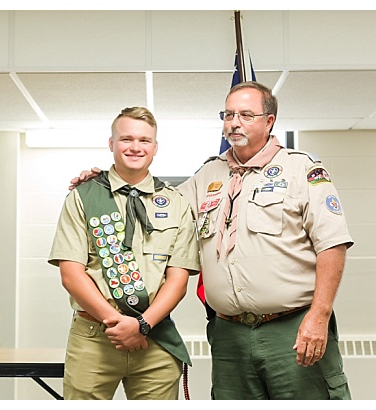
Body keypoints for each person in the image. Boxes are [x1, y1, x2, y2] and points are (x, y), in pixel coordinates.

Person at [71, 82, 353, 399]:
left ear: (269, 121)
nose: (234, 122)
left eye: (246, 114)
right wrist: (103, 184)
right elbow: (156, 206)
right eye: (229, 114)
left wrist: (320, 315)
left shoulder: (301, 168)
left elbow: (332, 244)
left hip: (291, 327)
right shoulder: (209, 174)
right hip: (230, 334)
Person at [48, 107, 198, 400]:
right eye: (126, 139)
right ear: (111, 143)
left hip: (155, 337)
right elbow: (71, 274)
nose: (135, 147)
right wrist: (119, 325)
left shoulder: (176, 202)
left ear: (155, 147)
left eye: (144, 140)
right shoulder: (83, 197)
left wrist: (141, 325)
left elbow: (178, 281)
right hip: (95, 337)